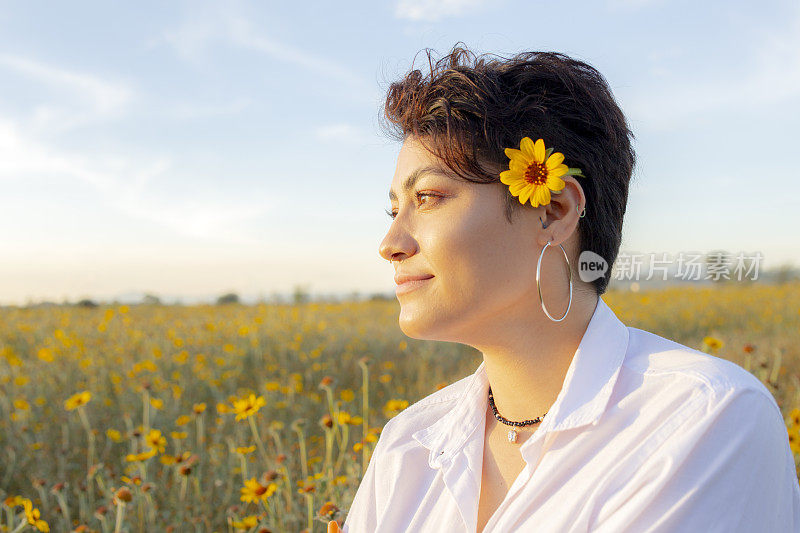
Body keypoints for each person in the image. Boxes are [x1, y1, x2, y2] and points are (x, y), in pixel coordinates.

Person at [338, 44, 800, 532]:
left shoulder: (701, 419)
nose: (390, 243)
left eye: (427, 198)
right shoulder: (409, 446)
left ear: (553, 211)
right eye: (394, 210)